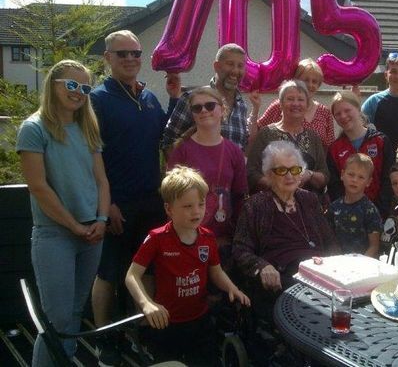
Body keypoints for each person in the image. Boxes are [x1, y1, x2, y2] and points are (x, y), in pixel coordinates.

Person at [89, 30, 180, 365]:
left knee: (148, 272)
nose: (130, 59)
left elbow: (165, 135)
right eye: (122, 53)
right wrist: (107, 204)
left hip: (150, 202)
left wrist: (174, 98)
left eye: (135, 53)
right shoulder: (97, 99)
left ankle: (143, 336)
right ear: (107, 58)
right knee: (109, 275)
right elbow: (89, 155)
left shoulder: (149, 97)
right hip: (117, 204)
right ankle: (105, 341)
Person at [16, 60, 110, 365]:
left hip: (91, 234)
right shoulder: (33, 128)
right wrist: (74, 226)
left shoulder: (87, 127)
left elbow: (101, 180)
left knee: (74, 312)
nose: (78, 92)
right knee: (55, 322)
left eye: (85, 88)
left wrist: (101, 220)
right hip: (55, 234)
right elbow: (38, 187)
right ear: (53, 85)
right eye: (71, 85)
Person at [125, 166, 250, 364]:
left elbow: (216, 272)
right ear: (169, 209)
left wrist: (232, 288)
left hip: (200, 320)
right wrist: (147, 304)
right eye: (187, 206)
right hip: (167, 324)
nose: (197, 211)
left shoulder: (208, 238)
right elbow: (132, 276)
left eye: (201, 204)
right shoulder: (157, 238)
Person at [233, 141, 338, 300]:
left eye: (294, 169)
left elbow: (330, 242)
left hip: (317, 275)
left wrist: (334, 267)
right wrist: (262, 266)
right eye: (282, 170)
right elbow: (240, 249)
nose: (289, 176)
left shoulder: (310, 199)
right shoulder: (255, 205)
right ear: (269, 174)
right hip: (282, 280)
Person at [167, 87, 248, 266]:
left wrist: (235, 237)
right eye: (197, 108)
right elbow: (171, 199)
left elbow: (239, 197)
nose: (204, 110)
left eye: (210, 106)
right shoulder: (181, 151)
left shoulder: (234, 151)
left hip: (223, 240)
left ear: (222, 109)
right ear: (193, 114)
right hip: (188, 239)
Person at [162, 43, 257, 152]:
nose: (235, 71)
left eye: (240, 66)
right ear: (216, 66)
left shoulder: (241, 106)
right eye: (230, 64)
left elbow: (242, 147)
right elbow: (168, 143)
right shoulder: (192, 99)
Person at [246, 80, 328, 194]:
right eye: (290, 99)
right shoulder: (266, 133)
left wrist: (310, 174)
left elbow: (325, 176)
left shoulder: (313, 137)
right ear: (280, 103)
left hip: (307, 202)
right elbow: (251, 172)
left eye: (300, 99)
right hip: (272, 201)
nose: (296, 104)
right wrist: (276, 184)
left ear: (307, 105)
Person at [328, 90, 394, 217]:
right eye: (338, 114)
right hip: (347, 217)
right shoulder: (334, 149)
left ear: (358, 109)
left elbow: (388, 179)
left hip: (379, 214)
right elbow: (334, 187)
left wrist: (378, 212)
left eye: (347, 110)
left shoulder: (380, 141)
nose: (343, 116)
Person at [257, 58, 335, 148]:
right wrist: (255, 109)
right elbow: (258, 131)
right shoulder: (280, 105)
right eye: (306, 80)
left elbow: (330, 145)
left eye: (314, 81)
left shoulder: (325, 112)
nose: (310, 85)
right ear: (296, 80)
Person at [327, 153, 382, 258]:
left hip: (362, 264)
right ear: (342, 174)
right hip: (337, 262)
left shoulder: (370, 210)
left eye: (361, 177)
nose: (355, 180)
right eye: (351, 174)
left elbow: (374, 246)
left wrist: (360, 265)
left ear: (368, 182)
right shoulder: (333, 208)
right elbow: (329, 240)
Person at [361, 52, 398, 150]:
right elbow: (359, 130)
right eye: (393, 71)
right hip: (383, 156)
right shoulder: (373, 102)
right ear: (386, 75)